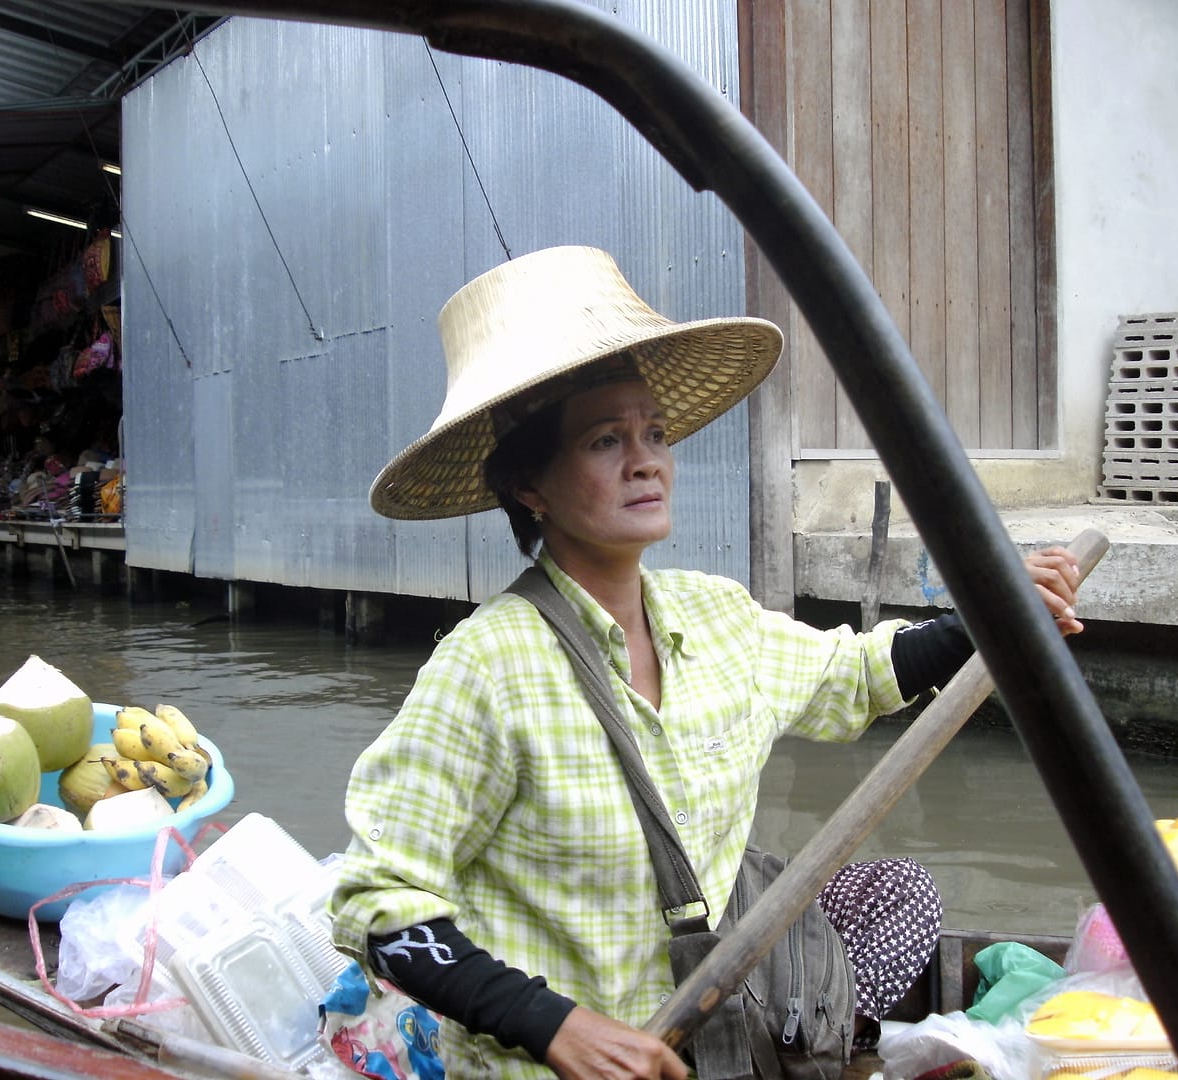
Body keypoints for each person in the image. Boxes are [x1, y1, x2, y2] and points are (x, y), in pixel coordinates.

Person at [330, 246, 1082, 1080]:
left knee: (902, 891)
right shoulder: (486, 669)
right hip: (574, 1063)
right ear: (529, 486)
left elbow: (860, 673)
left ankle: (817, 1045)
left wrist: (991, 610)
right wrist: (556, 1027)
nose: (647, 459)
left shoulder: (713, 615)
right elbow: (378, 903)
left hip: (724, 1014)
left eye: (653, 432)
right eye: (604, 440)